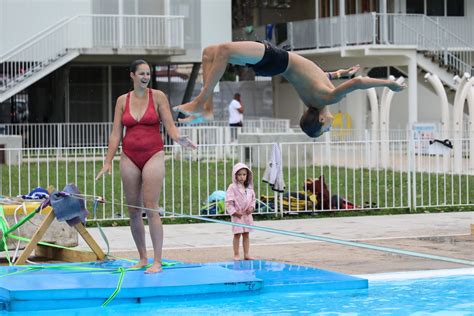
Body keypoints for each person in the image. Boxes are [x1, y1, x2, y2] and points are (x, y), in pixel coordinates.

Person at [173, 41, 406, 137]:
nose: (330, 127)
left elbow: (358, 83)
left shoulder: (328, 98)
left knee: (220, 52)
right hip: (276, 63)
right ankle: (207, 107)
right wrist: (338, 74)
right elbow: (315, 75)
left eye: (326, 130)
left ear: (322, 121)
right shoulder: (316, 97)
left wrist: (390, 84)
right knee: (209, 53)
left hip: (277, 59)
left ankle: (202, 103)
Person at [96, 59, 196, 274]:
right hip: (129, 156)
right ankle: (142, 257)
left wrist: (179, 139)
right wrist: (107, 161)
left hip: (153, 154)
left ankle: (157, 261)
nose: (145, 77)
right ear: (132, 75)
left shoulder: (158, 97)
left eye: (148, 73)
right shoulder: (122, 100)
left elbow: (170, 126)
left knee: (151, 207)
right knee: (133, 210)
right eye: (141, 73)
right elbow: (116, 134)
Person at [225, 162, 256, 261]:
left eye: (244, 174)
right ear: (235, 175)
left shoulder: (249, 188)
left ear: (247, 175)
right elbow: (228, 201)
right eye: (239, 175)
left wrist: (251, 207)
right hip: (237, 215)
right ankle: (236, 254)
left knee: (246, 234)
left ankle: (246, 254)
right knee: (237, 234)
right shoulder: (232, 187)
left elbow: (253, 199)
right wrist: (234, 212)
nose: (242, 177)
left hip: (247, 215)